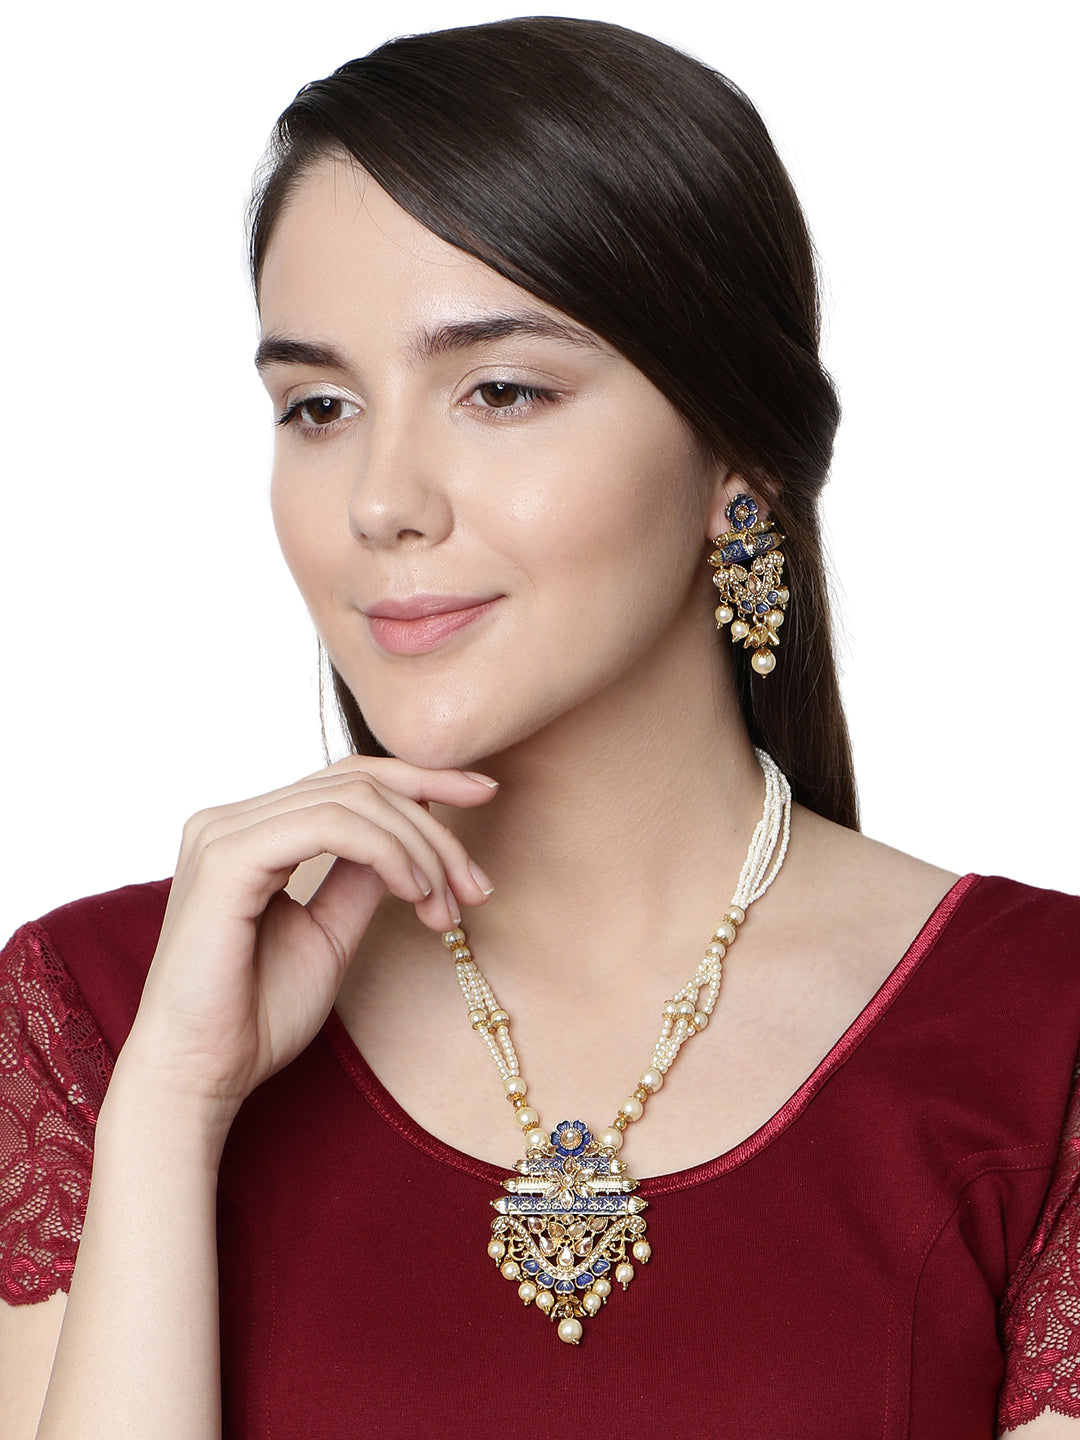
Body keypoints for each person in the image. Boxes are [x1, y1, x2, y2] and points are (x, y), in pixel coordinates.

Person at [1, 16, 1077, 1438]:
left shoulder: (1042, 1040)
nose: (381, 500)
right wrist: (172, 1109)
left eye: (500, 391)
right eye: (318, 406)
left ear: (739, 460)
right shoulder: (100, 1011)